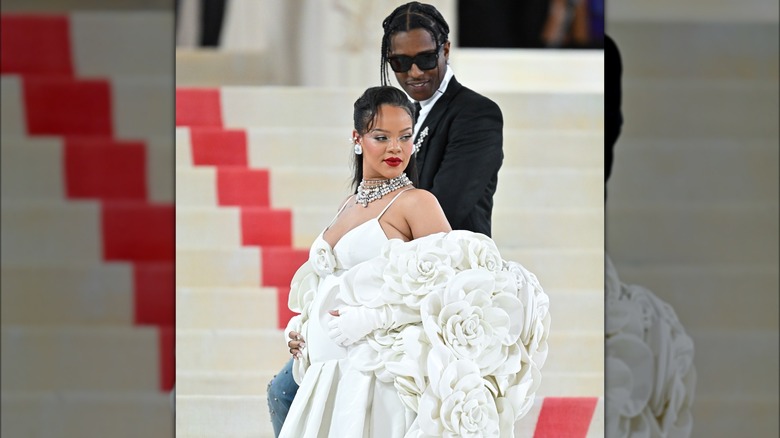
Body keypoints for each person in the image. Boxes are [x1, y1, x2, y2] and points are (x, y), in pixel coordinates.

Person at [267, 3, 504, 435]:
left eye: (425, 58)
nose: (414, 71)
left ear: (446, 50)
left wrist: (394, 202)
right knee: (283, 392)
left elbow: (445, 214)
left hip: (421, 305)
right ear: (358, 140)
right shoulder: (355, 198)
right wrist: (307, 320)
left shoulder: (474, 116)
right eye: (400, 62)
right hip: (343, 338)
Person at [276, 86, 548, 438]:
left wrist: (375, 317)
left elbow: (455, 290)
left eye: (405, 137)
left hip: (375, 374)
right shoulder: (348, 203)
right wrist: (303, 325)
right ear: (357, 139)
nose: (395, 148)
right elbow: (332, 279)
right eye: (381, 137)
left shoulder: (417, 203)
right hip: (328, 369)